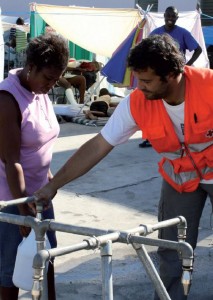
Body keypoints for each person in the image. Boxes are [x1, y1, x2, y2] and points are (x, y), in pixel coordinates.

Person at [34, 33, 213, 299]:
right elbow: (97, 146)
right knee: (171, 251)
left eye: (148, 80)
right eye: (138, 79)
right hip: (180, 180)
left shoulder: (208, 87)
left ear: (173, 74)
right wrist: (53, 185)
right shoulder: (137, 102)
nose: (140, 87)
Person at [0, 33, 69, 300]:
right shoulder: (8, 99)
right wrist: (22, 211)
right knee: (11, 271)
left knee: (46, 258)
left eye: (56, 79)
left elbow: (42, 141)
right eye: (48, 78)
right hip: (13, 199)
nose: (52, 85)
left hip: (40, 196)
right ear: (31, 68)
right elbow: (11, 160)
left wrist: (49, 181)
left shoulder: (39, 91)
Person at [139, 6, 202, 148]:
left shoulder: (183, 33)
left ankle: (183, 136)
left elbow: (198, 49)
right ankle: (151, 137)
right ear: (164, 16)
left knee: (178, 106)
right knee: (155, 107)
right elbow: (145, 51)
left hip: (176, 77)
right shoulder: (156, 33)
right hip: (158, 77)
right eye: (168, 16)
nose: (170, 19)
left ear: (177, 18)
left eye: (173, 17)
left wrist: (188, 65)